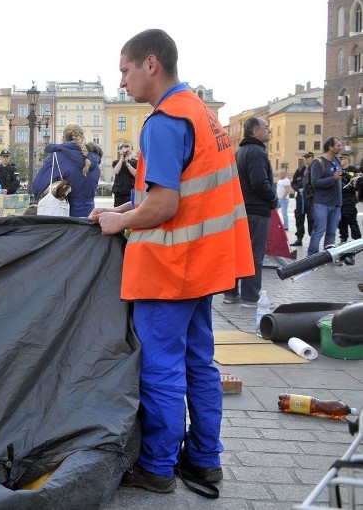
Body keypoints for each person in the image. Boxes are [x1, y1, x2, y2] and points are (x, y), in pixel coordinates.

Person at [89, 29, 252, 493]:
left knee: (161, 367)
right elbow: (168, 192)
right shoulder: (198, 111)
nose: (122, 81)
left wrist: (120, 224)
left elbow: (164, 206)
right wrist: (124, 207)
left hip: (168, 268)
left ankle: (157, 467)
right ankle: (204, 459)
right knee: (200, 363)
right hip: (203, 264)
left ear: (151, 64)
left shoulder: (163, 121)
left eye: (125, 69)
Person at [222, 117, 277, 307]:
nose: (269, 131)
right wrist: (273, 199)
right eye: (266, 127)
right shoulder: (257, 152)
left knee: (237, 252)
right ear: (255, 131)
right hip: (256, 211)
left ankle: (230, 294)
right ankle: (251, 297)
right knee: (255, 256)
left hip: (239, 210)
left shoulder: (239, 152)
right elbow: (259, 182)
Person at [31, 124, 101, 218]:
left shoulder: (56, 158)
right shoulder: (94, 158)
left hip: (66, 218)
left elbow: (36, 187)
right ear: (83, 137)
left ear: (63, 137)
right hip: (90, 217)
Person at [307, 137, 344, 257]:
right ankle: (312, 256)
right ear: (330, 147)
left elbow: (338, 180)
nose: (341, 147)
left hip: (336, 203)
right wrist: (333, 178)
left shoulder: (337, 161)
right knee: (319, 231)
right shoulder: (318, 162)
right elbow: (315, 183)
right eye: (338, 145)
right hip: (322, 203)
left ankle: (327, 257)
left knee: (332, 233)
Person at [290, 152, 315, 246]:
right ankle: (299, 238)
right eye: (305, 158)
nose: (306, 159)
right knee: (299, 219)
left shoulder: (315, 169)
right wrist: (298, 189)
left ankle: (313, 240)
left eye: (308, 157)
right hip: (300, 199)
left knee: (311, 219)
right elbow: (293, 183)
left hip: (311, 199)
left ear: (312, 158)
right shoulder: (300, 170)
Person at [338, 154, 361, 243]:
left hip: (349, 198)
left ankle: (357, 239)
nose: (340, 161)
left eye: (342, 159)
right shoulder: (338, 169)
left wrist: (345, 173)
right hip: (339, 198)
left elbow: (357, 177)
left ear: (347, 159)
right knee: (341, 219)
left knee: (351, 219)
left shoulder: (353, 169)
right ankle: (343, 238)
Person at [111, 142, 138, 207]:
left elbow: (136, 174)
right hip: (119, 193)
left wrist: (127, 164)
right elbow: (116, 171)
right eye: (124, 151)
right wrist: (121, 159)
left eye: (127, 151)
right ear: (120, 151)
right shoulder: (116, 162)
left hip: (130, 192)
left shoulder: (134, 162)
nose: (125, 153)